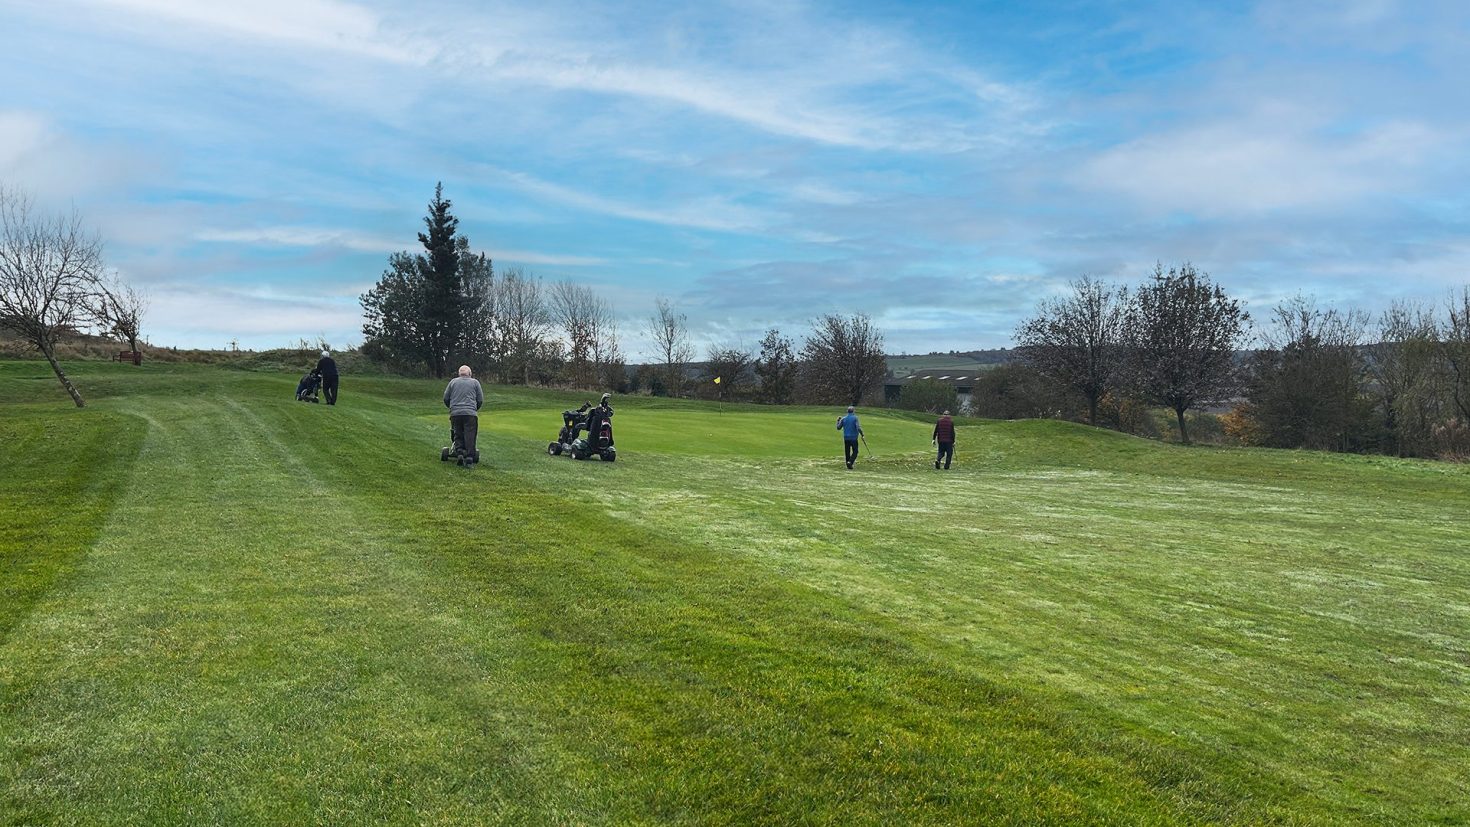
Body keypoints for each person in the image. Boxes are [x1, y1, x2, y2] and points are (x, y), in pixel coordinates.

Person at [443, 364, 484, 467]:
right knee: (470, 434)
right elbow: (480, 399)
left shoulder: (452, 382)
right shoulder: (475, 382)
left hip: (455, 413)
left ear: (459, 374)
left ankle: (460, 452)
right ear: (469, 374)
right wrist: (475, 408)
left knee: (457, 433)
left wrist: (452, 408)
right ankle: (470, 457)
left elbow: (446, 398)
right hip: (470, 413)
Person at [836, 405, 863, 469]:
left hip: (846, 438)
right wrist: (862, 434)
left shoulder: (843, 419)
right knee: (855, 451)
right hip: (853, 438)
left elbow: (838, 428)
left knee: (847, 452)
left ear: (847, 411)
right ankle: (850, 462)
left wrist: (838, 421)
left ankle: (848, 464)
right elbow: (858, 428)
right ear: (853, 411)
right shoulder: (855, 418)